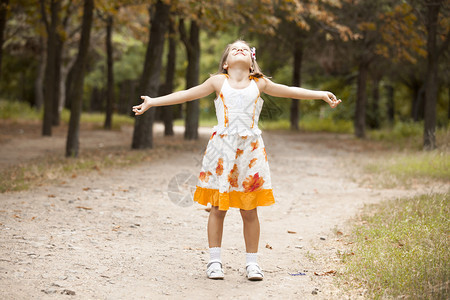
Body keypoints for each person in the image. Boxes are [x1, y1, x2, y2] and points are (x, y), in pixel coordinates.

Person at [133, 40, 341, 281]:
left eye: (245, 48)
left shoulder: (259, 83)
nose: (240, 49)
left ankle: (252, 264)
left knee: (249, 209)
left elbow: (290, 90)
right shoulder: (217, 82)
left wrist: (320, 95)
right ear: (225, 63)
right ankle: (214, 262)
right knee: (218, 208)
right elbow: (186, 94)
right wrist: (153, 101)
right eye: (234, 48)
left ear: (252, 63)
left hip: (250, 155)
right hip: (221, 153)